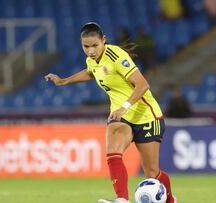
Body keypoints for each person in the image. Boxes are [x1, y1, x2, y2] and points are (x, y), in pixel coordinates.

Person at [45, 22, 177, 203]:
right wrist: (63, 81)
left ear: (103, 41)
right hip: (121, 116)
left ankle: (171, 201)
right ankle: (122, 199)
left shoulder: (116, 55)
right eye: (86, 46)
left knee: (152, 173)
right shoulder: (92, 60)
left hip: (146, 115)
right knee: (113, 152)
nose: (90, 51)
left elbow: (143, 84)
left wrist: (125, 106)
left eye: (94, 46)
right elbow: (91, 72)